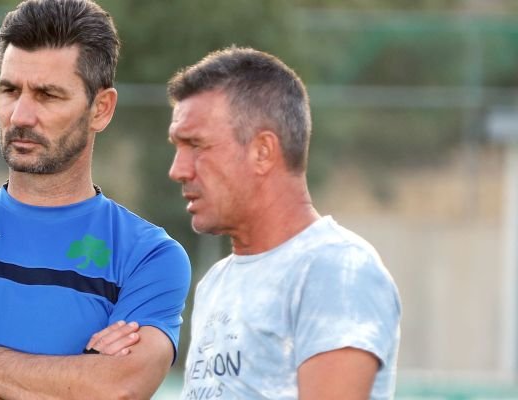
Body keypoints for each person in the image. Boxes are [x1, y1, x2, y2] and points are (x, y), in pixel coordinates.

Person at [0, 0, 191, 399]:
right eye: (10, 90)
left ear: (101, 109)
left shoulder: (148, 256)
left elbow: (118, 388)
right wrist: (67, 384)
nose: (20, 116)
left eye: (47, 95)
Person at [167, 46, 401, 400]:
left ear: (262, 151)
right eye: (177, 147)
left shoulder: (336, 270)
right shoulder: (215, 282)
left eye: (196, 145)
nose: (178, 170)